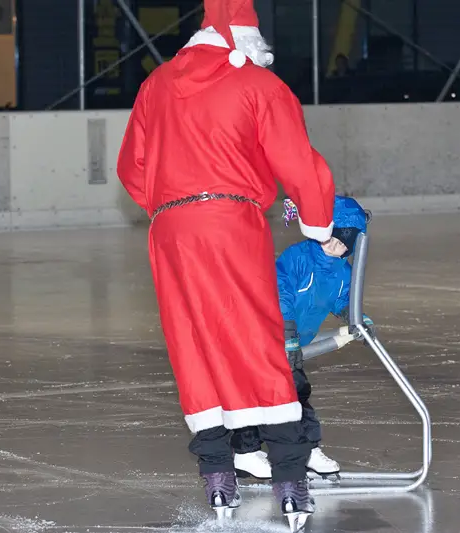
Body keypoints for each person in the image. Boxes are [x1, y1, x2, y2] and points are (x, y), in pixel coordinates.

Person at [116, 0, 335, 529]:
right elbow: (299, 162)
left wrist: (173, 203)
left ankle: (218, 477)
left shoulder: (157, 85)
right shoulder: (258, 85)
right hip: (230, 223)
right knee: (254, 338)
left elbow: (132, 168)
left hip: (170, 229)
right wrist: (318, 227)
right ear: (243, 35)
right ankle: (289, 481)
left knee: (193, 341)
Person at [231, 196, 376, 481]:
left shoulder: (343, 273)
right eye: (330, 237)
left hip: (294, 344)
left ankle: (305, 450)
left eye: (343, 242)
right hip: (263, 336)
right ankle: (247, 452)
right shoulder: (297, 257)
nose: (333, 245)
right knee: (263, 394)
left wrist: (355, 317)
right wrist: (286, 333)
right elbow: (278, 292)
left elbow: (343, 300)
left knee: (291, 394)